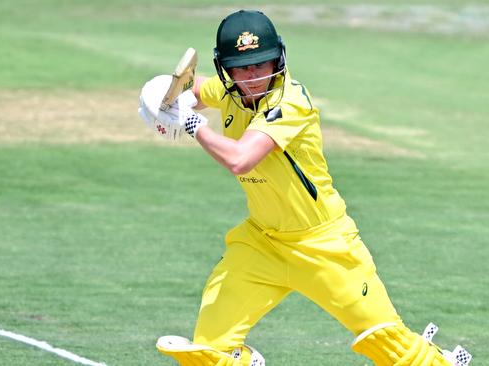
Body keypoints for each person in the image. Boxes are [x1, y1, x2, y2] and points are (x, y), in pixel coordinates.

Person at [138, 9, 471, 366]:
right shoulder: (233, 89)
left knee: (390, 347)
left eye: (261, 65)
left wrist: (189, 121)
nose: (253, 77)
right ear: (228, 70)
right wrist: (166, 93)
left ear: (277, 60)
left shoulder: (290, 101)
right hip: (262, 243)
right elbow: (201, 87)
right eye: (242, 68)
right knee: (207, 352)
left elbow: (240, 159)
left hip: (324, 243)